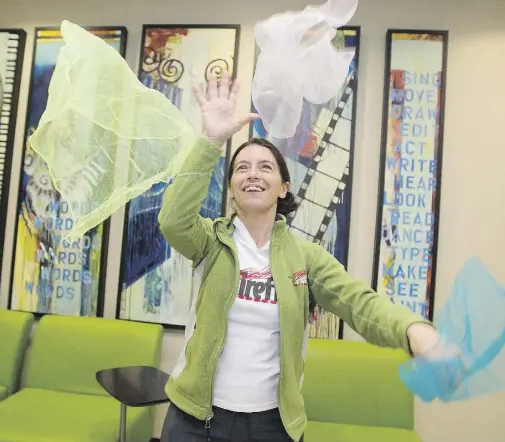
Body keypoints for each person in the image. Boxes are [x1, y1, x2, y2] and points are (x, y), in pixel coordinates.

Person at [158, 71, 440, 442]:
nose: (252, 174)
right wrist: (212, 140)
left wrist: (412, 329)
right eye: (242, 168)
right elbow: (173, 221)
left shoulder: (305, 257)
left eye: (265, 167)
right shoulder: (210, 241)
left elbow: (359, 302)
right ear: (231, 188)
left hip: (272, 426)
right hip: (195, 421)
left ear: (283, 187)